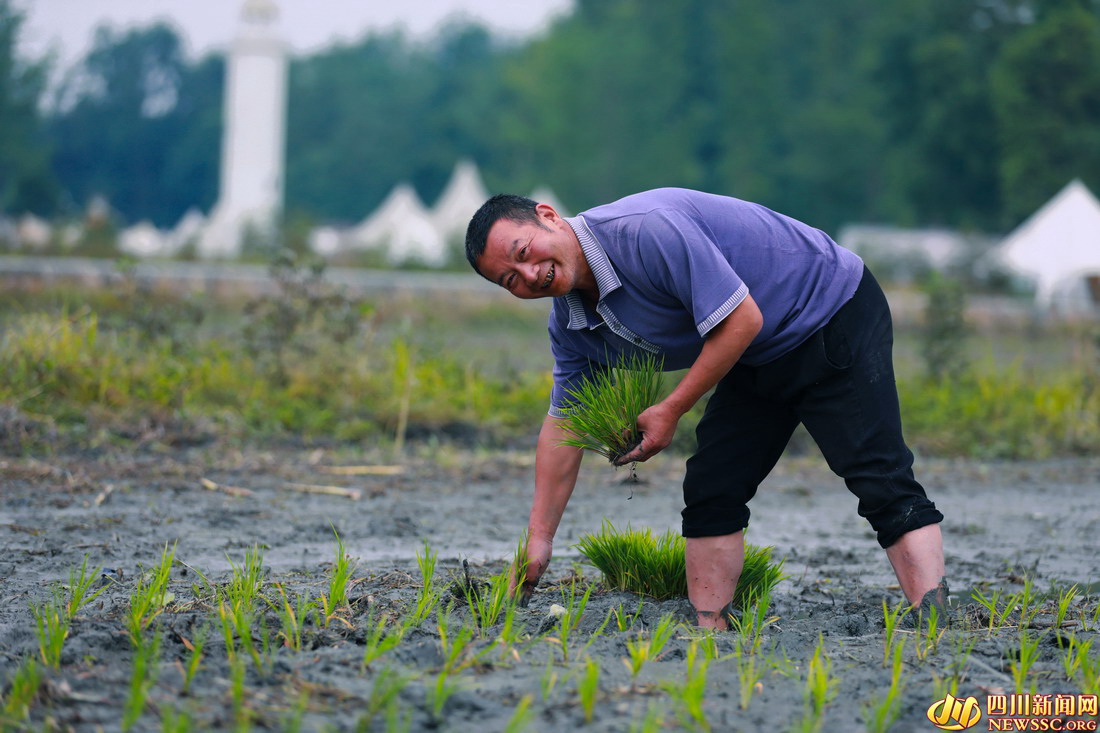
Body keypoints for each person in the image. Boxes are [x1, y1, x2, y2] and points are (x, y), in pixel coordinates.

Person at [464, 187, 947, 629]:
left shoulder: (644, 230)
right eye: (512, 280)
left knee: (876, 473)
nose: (530, 275)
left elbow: (741, 318)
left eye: (524, 253)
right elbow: (563, 423)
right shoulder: (572, 325)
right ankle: (710, 632)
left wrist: (671, 409)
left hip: (828, 306)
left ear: (548, 216)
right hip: (756, 350)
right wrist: (540, 538)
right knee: (713, 485)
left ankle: (935, 624)